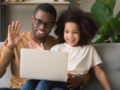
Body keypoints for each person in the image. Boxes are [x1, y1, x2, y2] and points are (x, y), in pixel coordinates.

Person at [21, 8, 112, 90]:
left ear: (83, 32)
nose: (70, 36)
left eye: (75, 32)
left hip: (71, 84)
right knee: (30, 83)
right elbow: (48, 69)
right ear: (62, 31)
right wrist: (42, 54)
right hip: (55, 80)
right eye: (67, 32)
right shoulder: (57, 48)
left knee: (44, 84)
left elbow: (99, 72)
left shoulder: (89, 50)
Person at [0, 3, 58, 90]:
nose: (42, 27)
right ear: (32, 19)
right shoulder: (14, 40)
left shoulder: (56, 44)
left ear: (53, 25)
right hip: (18, 87)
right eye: (39, 22)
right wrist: (10, 47)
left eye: (48, 24)